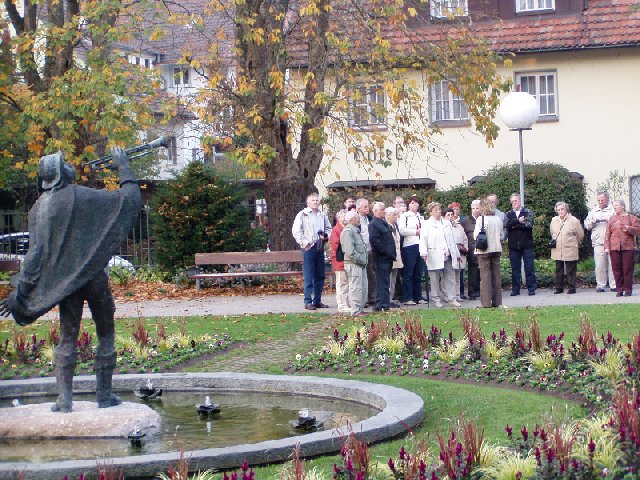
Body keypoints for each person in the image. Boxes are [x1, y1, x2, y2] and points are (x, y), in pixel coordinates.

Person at [0, 148, 142, 413]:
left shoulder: (38, 209)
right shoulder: (82, 195)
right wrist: (123, 166)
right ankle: (104, 396)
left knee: (68, 335)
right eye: (64, 163)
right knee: (106, 332)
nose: (69, 165)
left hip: (67, 284)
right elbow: (130, 199)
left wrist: (21, 291)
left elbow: (35, 255)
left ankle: (64, 400)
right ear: (58, 175)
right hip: (94, 277)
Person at [291, 192, 332, 310]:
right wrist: (305, 243)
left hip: (320, 246)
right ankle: (308, 301)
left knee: (320, 275)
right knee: (309, 275)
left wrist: (325, 236)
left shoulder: (322, 215)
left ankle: (317, 300)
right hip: (308, 248)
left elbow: (329, 229)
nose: (315, 202)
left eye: (317, 200)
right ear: (308, 202)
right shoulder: (302, 214)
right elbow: (296, 231)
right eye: (313, 200)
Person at [420, 202, 462, 308]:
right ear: (430, 212)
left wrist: (456, 253)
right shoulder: (426, 224)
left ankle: (451, 298)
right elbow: (423, 239)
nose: (438, 212)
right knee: (434, 278)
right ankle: (436, 299)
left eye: (439, 209)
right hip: (434, 253)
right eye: (435, 210)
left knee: (450, 277)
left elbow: (452, 239)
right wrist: (423, 252)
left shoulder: (446, 223)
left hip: (448, 253)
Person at [604, 199, 640, 297]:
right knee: (616, 269)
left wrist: (629, 228)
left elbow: (638, 231)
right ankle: (619, 289)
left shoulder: (632, 218)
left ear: (622, 206)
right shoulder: (612, 219)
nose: (614, 207)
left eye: (616, 205)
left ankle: (628, 290)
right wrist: (607, 247)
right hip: (614, 247)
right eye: (614, 206)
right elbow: (607, 234)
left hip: (628, 247)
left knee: (627, 269)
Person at [504, 193, 537, 296]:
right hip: (513, 246)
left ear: (520, 201)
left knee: (529, 268)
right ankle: (515, 290)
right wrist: (518, 221)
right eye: (512, 201)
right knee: (515, 269)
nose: (514, 203)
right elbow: (506, 225)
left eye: (516, 200)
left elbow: (528, 225)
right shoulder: (508, 214)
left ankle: (531, 289)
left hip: (527, 245)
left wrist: (514, 225)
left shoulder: (527, 212)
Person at [550, 201, 584, 294]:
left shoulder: (574, 220)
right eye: (558, 210)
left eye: (562, 209)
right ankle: (559, 288)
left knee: (571, 269)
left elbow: (580, 234)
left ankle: (572, 288)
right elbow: (552, 232)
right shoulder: (554, 220)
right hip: (557, 248)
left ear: (566, 210)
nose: (560, 211)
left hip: (570, 248)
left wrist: (574, 242)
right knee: (558, 269)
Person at [474, 198, 503, 308]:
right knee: (496, 275)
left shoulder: (480, 219)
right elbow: (501, 235)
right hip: (496, 248)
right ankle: (497, 301)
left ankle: (486, 303)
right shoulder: (497, 219)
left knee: (485, 276)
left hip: (484, 250)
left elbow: (476, 236)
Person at [584, 192, 616, 292]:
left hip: (612, 241)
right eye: (599, 200)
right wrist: (593, 222)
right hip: (598, 241)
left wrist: (608, 220)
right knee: (599, 265)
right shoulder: (593, 211)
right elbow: (587, 225)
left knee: (613, 264)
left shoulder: (613, 210)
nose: (600, 202)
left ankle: (614, 285)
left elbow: (619, 223)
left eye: (602, 200)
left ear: (607, 199)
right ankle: (601, 285)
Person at [369, 202, 396, 311]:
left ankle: (380, 304)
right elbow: (374, 241)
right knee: (383, 282)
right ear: (375, 211)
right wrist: (385, 251)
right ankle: (384, 305)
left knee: (384, 282)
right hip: (381, 258)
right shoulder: (374, 224)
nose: (384, 211)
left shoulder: (383, 222)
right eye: (382, 209)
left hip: (387, 258)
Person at [341, 210, 368, 316]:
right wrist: (361, 260)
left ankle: (360, 308)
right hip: (354, 263)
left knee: (362, 287)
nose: (359, 219)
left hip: (360, 263)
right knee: (355, 287)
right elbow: (350, 251)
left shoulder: (355, 230)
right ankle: (355, 310)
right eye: (357, 217)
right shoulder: (348, 231)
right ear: (352, 219)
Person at [399, 196, 424, 305]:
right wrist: (415, 232)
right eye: (412, 203)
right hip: (409, 245)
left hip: (420, 245)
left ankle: (417, 296)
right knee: (408, 273)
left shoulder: (420, 216)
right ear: (408, 205)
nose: (415, 205)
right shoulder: (405, 216)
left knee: (418, 272)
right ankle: (407, 297)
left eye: (416, 203)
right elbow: (402, 230)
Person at [330, 210, 350, 314]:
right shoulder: (336, 229)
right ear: (339, 218)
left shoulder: (347, 228)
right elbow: (336, 245)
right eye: (344, 216)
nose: (346, 218)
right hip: (340, 260)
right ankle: (342, 305)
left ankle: (347, 303)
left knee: (347, 283)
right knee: (342, 283)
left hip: (347, 260)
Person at [356, 198, 376, 305]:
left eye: (368, 206)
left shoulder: (370, 219)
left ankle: (371, 297)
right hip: (360, 252)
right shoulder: (355, 220)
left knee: (371, 275)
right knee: (362, 276)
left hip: (370, 250)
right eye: (365, 207)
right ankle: (363, 299)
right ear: (358, 208)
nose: (367, 208)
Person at [445, 207, 468, 302]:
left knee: (458, 276)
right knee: (448, 277)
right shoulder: (443, 227)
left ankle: (457, 294)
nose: (450, 216)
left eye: (452, 214)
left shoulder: (459, 226)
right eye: (448, 215)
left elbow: (465, 239)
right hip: (448, 254)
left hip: (460, 253)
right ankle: (447, 295)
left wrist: (465, 249)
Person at [461, 199, 481, 300]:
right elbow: (463, 236)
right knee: (473, 272)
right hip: (471, 249)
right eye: (473, 208)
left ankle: (484, 292)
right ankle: (472, 292)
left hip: (483, 248)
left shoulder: (484, 219)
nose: (475, 210)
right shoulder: (465, 221)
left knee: (484, 271)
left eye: (477, 208)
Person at [385, 207, 403, 308]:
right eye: (394, 215)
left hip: (397, 256)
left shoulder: (395, 226)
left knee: (393, 280)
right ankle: (386, 300)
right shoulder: (386, 226)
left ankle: (390, 299)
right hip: (389, 257)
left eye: (396, 215)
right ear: (388, 216)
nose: (396, 217)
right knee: (388, 279)